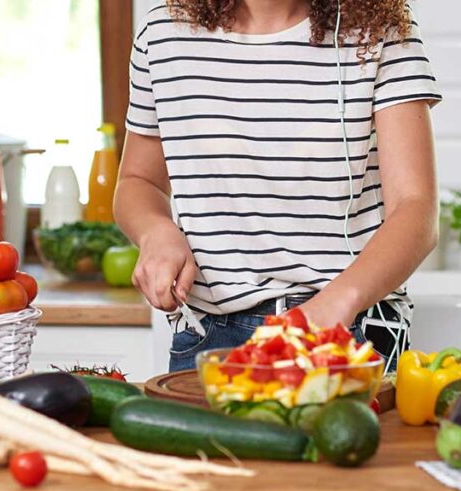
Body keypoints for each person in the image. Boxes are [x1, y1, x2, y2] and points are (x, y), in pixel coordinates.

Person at [114, 0, 441, 372]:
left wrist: (336, 303)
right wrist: (156, 232)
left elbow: (417, 208)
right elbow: (137, 181)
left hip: (350, 327)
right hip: (210, 335)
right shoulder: (162, 35)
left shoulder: (381, 30)